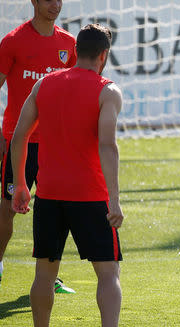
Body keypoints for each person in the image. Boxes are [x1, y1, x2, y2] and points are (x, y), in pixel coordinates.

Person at [11, 23, 124, 327]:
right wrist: (114, 200)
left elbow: (20, 136)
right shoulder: (108, 90)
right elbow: (108, 146)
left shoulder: (44, 84)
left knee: (44, 275)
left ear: (74, 51)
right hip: (90, 196)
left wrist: (21, 183)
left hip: (48, 195)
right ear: (104, 55)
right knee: (108, 273)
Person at [0, 0, 76, 293]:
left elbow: (75, 88)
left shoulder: (69, 43)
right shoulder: (13, 42)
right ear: (33, 1)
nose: (55, 4)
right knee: (7, 210)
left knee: (56, 210)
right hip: (19, 142)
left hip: (55, 146)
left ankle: (48, 275)